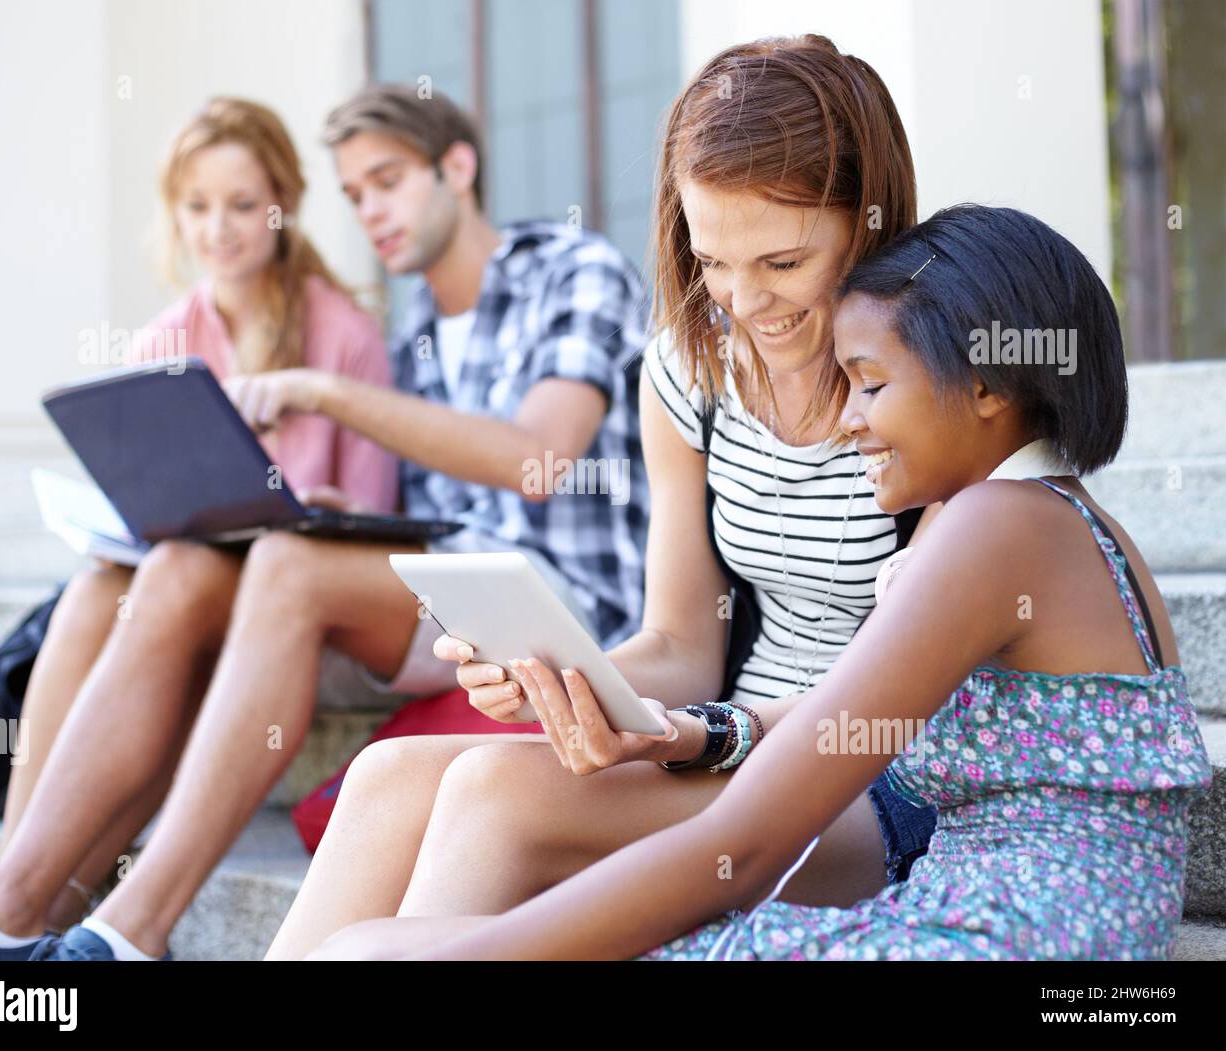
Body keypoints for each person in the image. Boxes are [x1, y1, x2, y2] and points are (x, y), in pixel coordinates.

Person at [312, 204, 1215, 961]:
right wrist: (679, 730)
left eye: (868, 384)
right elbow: (843, 720)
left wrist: (465, 953)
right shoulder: (1041, 519)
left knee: (375, 950)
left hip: (1005, 941)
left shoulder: (1002, 526)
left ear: (983, 383)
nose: (850, 421)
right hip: (992, 923)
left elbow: (740, 850)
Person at [0, 83, 649, 962]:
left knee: (283, 565)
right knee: (156, 576)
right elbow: (432, 508)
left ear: (457, 167)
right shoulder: (419, 323)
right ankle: (4, 916)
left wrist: (324, 394)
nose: (368, 211)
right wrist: (349, 519)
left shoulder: (571, 269)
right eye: (352, 193)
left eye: (385, 180)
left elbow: (538, 459)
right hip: (442, 592)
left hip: (556, 603)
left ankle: (130, 931)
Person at [267, 35, 942, 960]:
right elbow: (680, 643)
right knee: (383, 775)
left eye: (784, 263)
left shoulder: (929, 377)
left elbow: (931, 685)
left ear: (867, 221)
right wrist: (572, 682)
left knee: (492, 794)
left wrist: (691, 734)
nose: (746, 302)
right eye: (715, 261)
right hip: (722, 744)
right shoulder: (689, 364)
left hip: (875, 779)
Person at [0, 96, 398, 959]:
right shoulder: (164, 338)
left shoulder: (342, 334)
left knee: (175, 575)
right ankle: (11, 901)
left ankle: (19, 913)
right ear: (174, 213)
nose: (219, 228)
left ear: (283, 204)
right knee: (102, 584)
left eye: (242, 203)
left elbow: (377, 515)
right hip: (180, 592)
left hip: (295, 603)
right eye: (197, 206)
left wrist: (316, 500)